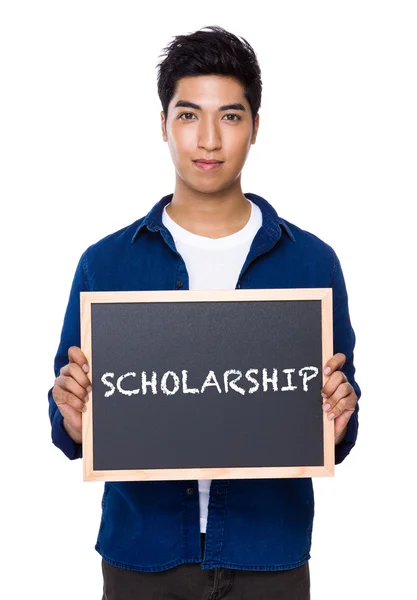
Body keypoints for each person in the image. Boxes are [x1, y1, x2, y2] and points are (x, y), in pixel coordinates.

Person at [49, 25, 360, 600]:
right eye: (189, 115)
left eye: (232, 116)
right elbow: (67, 418)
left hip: (270, 557)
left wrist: (340, 416)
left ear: (256, 127)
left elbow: (341, 415)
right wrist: (73, 415)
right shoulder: (106, 264)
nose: (209, 139)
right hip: (142, 558)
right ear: (163, 124)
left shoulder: (313, 263)